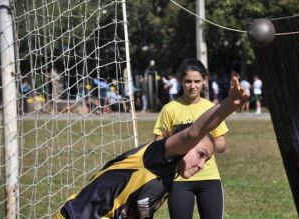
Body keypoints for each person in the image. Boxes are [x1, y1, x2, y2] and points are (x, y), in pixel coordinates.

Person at [55, 73, 248, 219]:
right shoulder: (156, 156)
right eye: (200, 154)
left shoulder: (167, 177)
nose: (201, 164)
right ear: (184, 145)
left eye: (207, 159)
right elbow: (193, 132)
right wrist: (229, 105)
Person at [153, 58, 228, 219]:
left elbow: (222, 144)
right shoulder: (169, 109)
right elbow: (158, 145)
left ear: (205, 80)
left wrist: (201, 148)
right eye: (188, 81)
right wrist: (177, 151)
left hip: (210, 178)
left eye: (197, 81)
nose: (192, 86)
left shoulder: (212, 109)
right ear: (180, 80)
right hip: (178, 180)